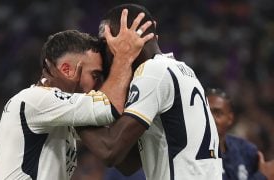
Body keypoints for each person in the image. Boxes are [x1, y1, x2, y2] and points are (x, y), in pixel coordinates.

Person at [0, 11, 154, 180]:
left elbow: (117, 155)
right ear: (67, 70)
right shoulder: (35, 99)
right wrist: (124, 56)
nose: (99, 85)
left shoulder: (60, 112)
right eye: (95, 76)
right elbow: (109, 106)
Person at [75, 4, 222, 180]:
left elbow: (110, 150)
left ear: (126, 40)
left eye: (105, 44)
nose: (103, 54)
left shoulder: (153, 72)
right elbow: (128, 163)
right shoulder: (180, 70)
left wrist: (72, 109)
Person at [206, 88, 274, 180]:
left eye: (218, 113)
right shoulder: (193, 153)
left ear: (230, 118)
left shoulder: (246, 150)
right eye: (206, 112)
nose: (210, 118)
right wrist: (262, 177)